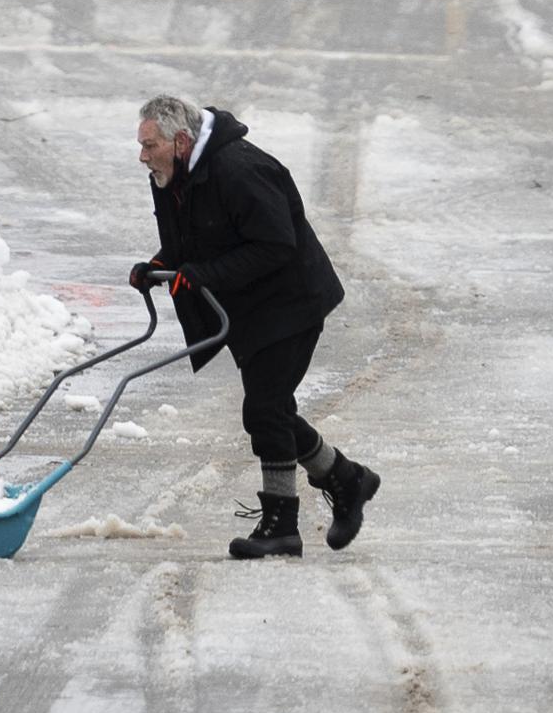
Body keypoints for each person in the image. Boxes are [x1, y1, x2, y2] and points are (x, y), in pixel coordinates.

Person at [134, 94, 381, 558]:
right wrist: (157, 266)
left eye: (150, 146)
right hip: (251, 307)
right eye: (142, 145)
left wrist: (208, 274)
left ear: (182, 141)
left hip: (293, 302)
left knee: (265, 410)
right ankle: (347, 479)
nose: (143, 156)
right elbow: (188, 242)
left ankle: (282, 525)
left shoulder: (239, 169)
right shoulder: (169, 176)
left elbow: (277, 244)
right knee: (270, 412)